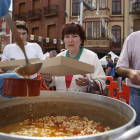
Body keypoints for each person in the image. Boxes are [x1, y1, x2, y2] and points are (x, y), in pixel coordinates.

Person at [45, 22, 106, 93]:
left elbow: (102, 83)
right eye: (67, 36)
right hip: (61, 100)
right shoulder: (59, 57)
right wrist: (48, 77)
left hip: (83, 101)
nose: (70, 40)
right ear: (63, 40)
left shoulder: (91, 57)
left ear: (81, 40)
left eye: (75, 36)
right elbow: (53, 82)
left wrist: (89, 82)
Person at [116, 31, 140, 126]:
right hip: (137, 93)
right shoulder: (133, 38)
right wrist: (130, 72)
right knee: (135, 128)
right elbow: (119, 68)